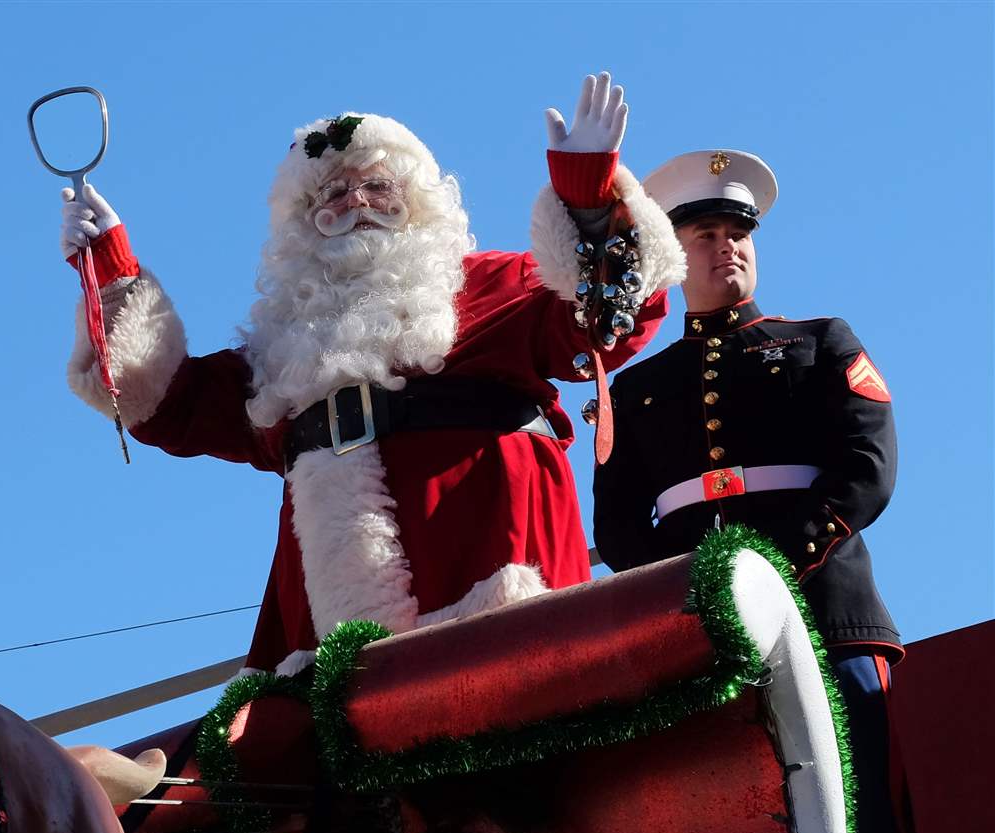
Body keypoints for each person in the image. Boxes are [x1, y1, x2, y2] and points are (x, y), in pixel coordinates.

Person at [58, 73, 684, 676]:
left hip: (493, 558)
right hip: (334, 621)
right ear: (304, 225)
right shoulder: (282, 347)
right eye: (330, 195)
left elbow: (601, 321)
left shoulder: (496, 283)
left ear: (416, 205)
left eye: (378, 186)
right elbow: (165, 402)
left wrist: (589, 201)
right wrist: (108, 266)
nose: (355, 202)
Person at [592, 149, 945, 833]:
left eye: (738, 234)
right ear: (673, 255)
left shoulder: (821, 341)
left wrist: (774, 569)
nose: (727, 250)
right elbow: (620, 531)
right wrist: (699, 606)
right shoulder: (635, 390)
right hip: (703, 650)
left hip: (826, 620)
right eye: (703, 235)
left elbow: (867, 467)